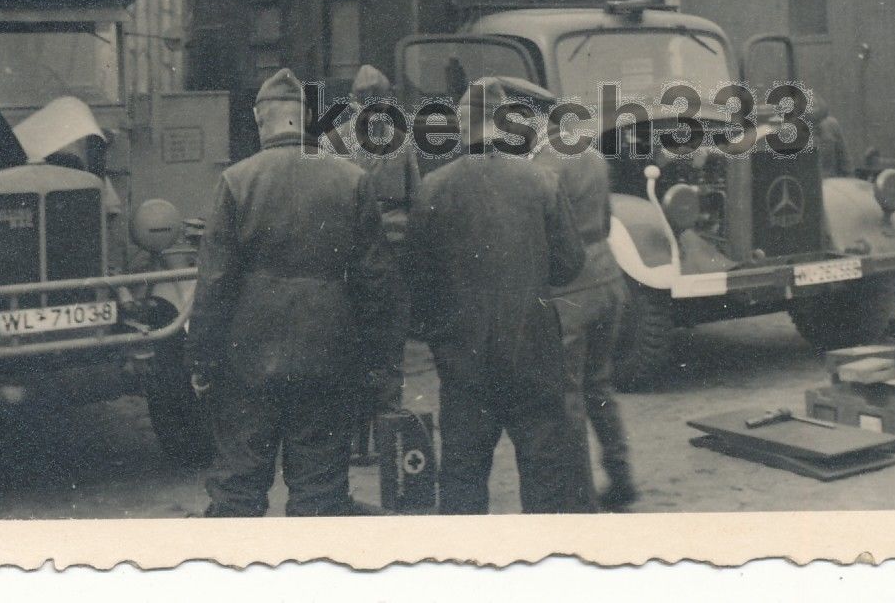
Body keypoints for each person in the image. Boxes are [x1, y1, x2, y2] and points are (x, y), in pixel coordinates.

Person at [185, 68, 377, 517]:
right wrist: (377, 365)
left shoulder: (236, 181)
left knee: (237, 491)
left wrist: (202, 361)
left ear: (260, 120)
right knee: (320, 494)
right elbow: (375, 283)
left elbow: (214, 282)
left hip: (247, 362)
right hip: (328, 357)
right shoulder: (351, 180)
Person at [407, 78, 592, 514]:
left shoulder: (433, 188)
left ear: (460, 127)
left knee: (463, 476)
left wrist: (440, 335)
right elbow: (570, 263)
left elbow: (417, 279)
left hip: (464, 359)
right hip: (533, 353)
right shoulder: (542, 182)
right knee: (545, 477)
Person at [532, 115, 638, 511]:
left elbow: (541, 232)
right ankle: (621, 475)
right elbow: (606, 222)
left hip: (570, 291)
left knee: (568, 394)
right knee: (599, 385)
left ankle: (579, 495)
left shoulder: (544, 165)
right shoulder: (593, 157)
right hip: (607, 279)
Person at [348, 64, 421, 455]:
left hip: (356, 253)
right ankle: (389, 437)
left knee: (356, 346)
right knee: (391, 348)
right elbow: (417, 198)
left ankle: (358, 443)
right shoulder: (402, 141)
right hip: (395, 252)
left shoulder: (342, 140)